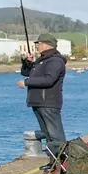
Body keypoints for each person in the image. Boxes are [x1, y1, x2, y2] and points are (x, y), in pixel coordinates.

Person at [18, 34, 67, 162]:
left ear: (46, 44)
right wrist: (27, 62)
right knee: (48, 135)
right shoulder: (42, 61)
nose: (37, 46)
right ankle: (54, 163)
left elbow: (49, 80)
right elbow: (26, 72)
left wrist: (27, 82)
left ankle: (63, 162)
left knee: (55, 136)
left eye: (38, 44)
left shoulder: (55, 61)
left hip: (48, 103)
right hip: (38, 102)